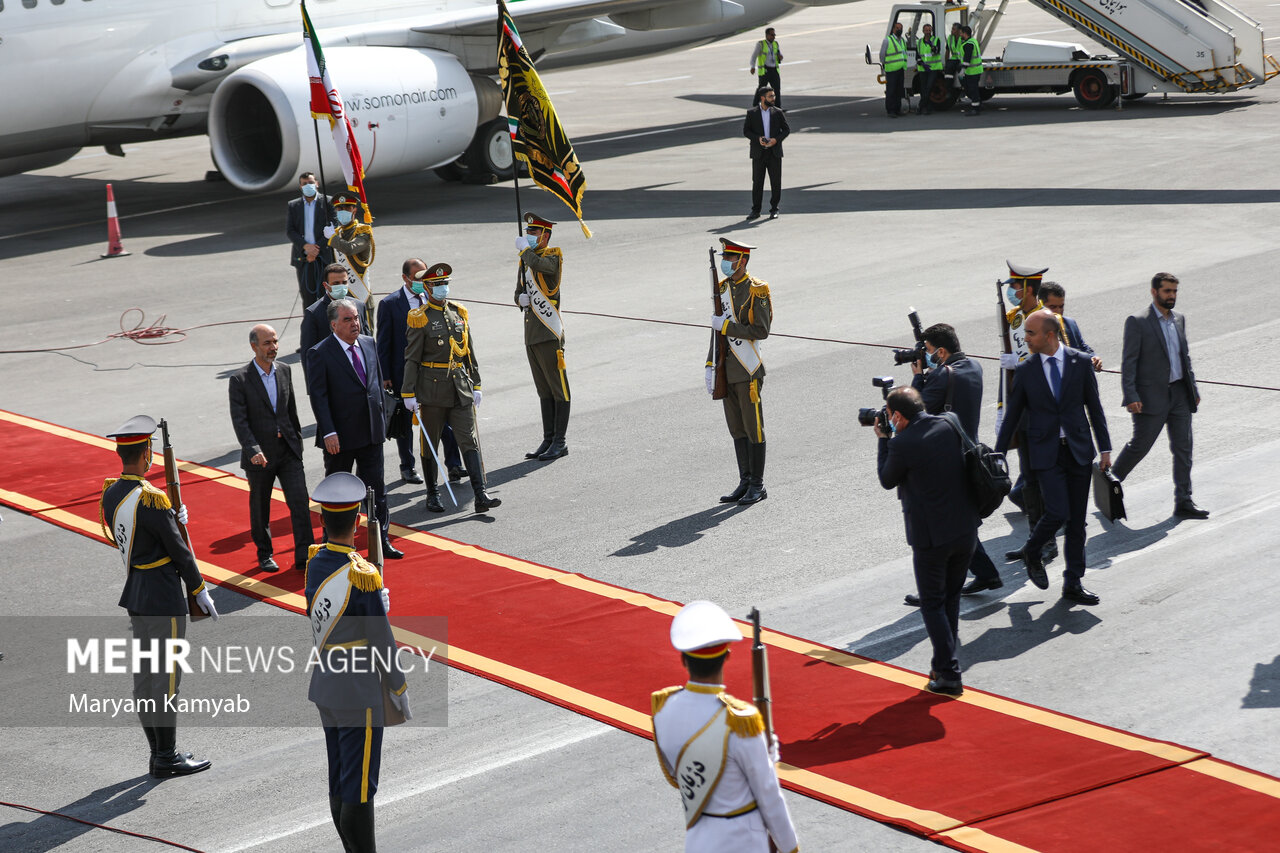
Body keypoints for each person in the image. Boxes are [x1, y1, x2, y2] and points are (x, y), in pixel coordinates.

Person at [99, 415, 218, 777]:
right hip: (164, 598)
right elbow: (180, 551)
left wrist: (171, 514)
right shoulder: (150, 499)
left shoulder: (111, 493)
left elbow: (135, 537)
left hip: (137, 594)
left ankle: (157, 752)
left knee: (146, 677)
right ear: (147, 453)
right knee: (166, 679)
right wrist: (199, 589)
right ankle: (167, 757)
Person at [305, 472, 409, 853]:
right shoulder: (361, 576)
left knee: (341, 778)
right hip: (358, 690)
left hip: (327, 684)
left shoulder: (316, 562)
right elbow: (383, 642)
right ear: (359, 521)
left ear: (322, 521)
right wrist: (398, 687)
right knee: (361, 785)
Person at [651, 600, 799, 852]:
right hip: (743, 841)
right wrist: (790, 848)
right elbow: (769, 795)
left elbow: (678, 777)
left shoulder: (662, 707)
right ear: (727, 656)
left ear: (683, 659)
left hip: (697, 839)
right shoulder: (740, 721)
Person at [995, 311, 1112, 606]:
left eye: (1030, 333)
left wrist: (1106, 449)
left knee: (1077, 523)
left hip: (1078, 451)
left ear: (1049, 335)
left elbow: (1094, 408)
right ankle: (1032, 550)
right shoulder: (1026, 370)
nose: (1025, 338)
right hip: (1046, 453)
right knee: (1058, 512)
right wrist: (997, 454)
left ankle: (1073, 582)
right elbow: (1012, 416)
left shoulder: (1080, 362)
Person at [875, 387, 979, 696]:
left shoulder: (902, 443)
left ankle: (948, 674)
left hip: (932, 538)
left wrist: (884, 441)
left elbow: (886, 479)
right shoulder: (949, 421)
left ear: (896, 416)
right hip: (966, 530)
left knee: (933, 603)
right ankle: (942, 663)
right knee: (951, 598)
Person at [902, 324, 1002, 608]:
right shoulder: (973, 367)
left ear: (942, 351)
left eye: (931, 352)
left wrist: (919, 378)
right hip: (969, 453)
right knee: (961, 523)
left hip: (945, 461)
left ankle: (935, 589)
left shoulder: (941, 377)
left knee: (939, 530)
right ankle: (986, 573)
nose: (928, 356)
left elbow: (914, 414)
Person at [305, 298, 403, 558]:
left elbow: (377, 388)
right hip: (340, 437)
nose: (354, 324)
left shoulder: (369, 344)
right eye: (347, 320)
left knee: (377, 490)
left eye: (356, 318)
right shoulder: (320, 352)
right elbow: (319, 396)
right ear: (334, 324)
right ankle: (332, 546)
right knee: (338, 492)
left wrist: (383, 423)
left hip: (371, 432)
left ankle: (381, 541)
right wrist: (328, 431)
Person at [403, 263, 502, 514]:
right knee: (430, 442)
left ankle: (480, 494)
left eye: (445, 283)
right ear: (427, 286)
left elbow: (469, 351)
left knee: (469, 440)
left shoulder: (459, 313)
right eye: (437, 284)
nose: (442, 288)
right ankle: (432, 493)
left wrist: (476, 383)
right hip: (432, 389)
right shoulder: (420, 317)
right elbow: (412, 358)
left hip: (460, 387)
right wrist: (408, 392)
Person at [1111, 273, 1208, 519]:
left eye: (1174, 291)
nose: (1172, 296)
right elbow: (1129, 361)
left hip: (1179, 395)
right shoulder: (1137, 321)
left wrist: (1193, 390)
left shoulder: (1179, 319)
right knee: (1139, 447)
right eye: (1167, 291)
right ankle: (1109, 487)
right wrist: (1130, 395)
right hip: (1149, 398)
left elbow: (1184, 358)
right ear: (1154, 292)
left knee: (1183, 449)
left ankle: (1184, 501)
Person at [228, 324, 314, 573]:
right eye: (267, 343)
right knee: (260, 507)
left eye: (275, 342)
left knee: (299, 503)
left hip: (287, 450)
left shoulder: (285, 370)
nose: (273, 347)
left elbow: (291, 411)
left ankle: (305, 556)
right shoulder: (240, 379)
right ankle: (265, 554)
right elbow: (240, 421)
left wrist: (296, 444)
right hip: (260, 457)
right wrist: (253, 449)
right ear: (254, 346)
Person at [377, 258, 465, 486]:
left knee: (443, 419)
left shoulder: (434, 298)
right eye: (416, 277)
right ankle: (408, 466)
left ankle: (454, 465)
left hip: (434, 374)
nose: (421, 281)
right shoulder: (390, 304)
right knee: (405, 422)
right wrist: (385, 375)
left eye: (423, 276)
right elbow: (384, 343)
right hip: (403, 372)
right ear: (405, 278)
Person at [707, 239, 773, 505]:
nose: (726, 262)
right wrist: (710, 364)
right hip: (727, 370)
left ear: (742, 261)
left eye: (730, 258)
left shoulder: (757, 290)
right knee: (737, 429)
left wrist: (727, 328)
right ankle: (745, 480)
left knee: (753, 428)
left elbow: (761, 331)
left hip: (747, 371)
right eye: (725, 257)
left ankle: (758, 485)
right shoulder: (721, 289)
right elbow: (716, 334)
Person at [514, 212, 571, 461]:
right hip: (532, 334)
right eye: (528, 233)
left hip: (548, 333)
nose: (530, 236)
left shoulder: (552, 256)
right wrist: (519, 299)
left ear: (545, 236)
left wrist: (526, 251)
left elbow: (544, 269)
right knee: (543, 390)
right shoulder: (525, 261)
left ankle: (560, 442)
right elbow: (518, 291)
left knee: (559, 389)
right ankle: (548, 439)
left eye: (534, 233)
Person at [323, 191, 375, 333]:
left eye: (347, 208)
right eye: (339, 209)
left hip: (360, 293)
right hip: (342, 295)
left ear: (354, 210)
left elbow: (350, 248)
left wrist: (332, 238)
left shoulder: (363, 232)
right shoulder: (337, 232)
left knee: (365, 335)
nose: (343, 212)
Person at [300, 263, 365, 376]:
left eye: (344, 282)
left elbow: (365, 339)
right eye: (336, 283)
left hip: (360, 371)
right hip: (333, 376)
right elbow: (308, 354)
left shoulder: (359, 306)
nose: (341, 286)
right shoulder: (314, 313)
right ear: (326, 285)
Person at [286, 171, 333, 310]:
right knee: (308, 297)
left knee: (326, 295)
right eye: (304, 184)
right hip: (303, 258)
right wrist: (306, 247)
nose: (308, 186)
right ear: (300, 187)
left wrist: (316, 248)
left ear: (317, 184)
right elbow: (290, 231)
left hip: (323, 256)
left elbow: (333, 226)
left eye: (311, 183)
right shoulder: (294, 206)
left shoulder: (327, 202)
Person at [742, 85, 789, 221]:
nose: (774, 98)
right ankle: (755, 210)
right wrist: (758, 139)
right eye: (771, 96)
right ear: (762, 98)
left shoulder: (778, 112)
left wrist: (776, 140)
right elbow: (746, 131)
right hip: (759, 153)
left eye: (774, 96)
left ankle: (774, 209)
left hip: (774, 153)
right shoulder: (752, 113)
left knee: (775, 182)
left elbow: (786, 130)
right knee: (757, 182)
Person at [1039, 281, 1102, 372]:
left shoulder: (1070, 323)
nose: (1058, 311)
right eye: (1053, 307)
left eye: (1061, 306)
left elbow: (1082, 347)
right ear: (1040, 305)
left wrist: (1093, 358)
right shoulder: (1034, 330)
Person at [749, 27, 783, 107]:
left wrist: (780, 57)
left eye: (774, 35)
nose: (773, 37)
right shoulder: (761, 44)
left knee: (777, 90)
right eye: (772, 35)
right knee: (761, 89)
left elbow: (779, 54)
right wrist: (752, 66)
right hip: (765, 70)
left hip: (774, 70)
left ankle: (778, 107)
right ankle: (755, 106)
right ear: (767, 35)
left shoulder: (775, 44)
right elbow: (754, 56)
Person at [880, 21, 907, 117]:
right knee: (891, 91)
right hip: (891, 70)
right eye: (897, 28)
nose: (899, 30)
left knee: (899, 90)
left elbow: (904, 54)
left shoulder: (902, 40)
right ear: (893, 29)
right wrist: (884, 65)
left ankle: (897, 109)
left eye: (900, 28)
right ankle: (891, 110)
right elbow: (882, 55)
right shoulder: (887, 40)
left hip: (900, 69)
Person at [916, 22, 944, 114]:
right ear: (923, 31)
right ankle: (927, 107)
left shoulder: (936, 40)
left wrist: (931, 45)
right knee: (923, 88)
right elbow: (918, 56)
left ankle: (921, 106)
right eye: (926, 30)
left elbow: (936, 51)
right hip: (923, 68)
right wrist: (922, 63)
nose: (928, 32)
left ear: (931, 31)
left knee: (929, 87)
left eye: (929, 30)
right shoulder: (919, 42)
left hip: (933, 68)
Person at [958, 25, 983, 115]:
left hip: (973, 71)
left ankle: (975, 109)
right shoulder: (972, 41)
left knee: (973, 90)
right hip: (975, 70)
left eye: (961, 33)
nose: (960, 34)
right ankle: (977, 105)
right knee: (973, 89)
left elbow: (967, 59)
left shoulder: (968, 44)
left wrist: (962, 70)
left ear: (965, 33)